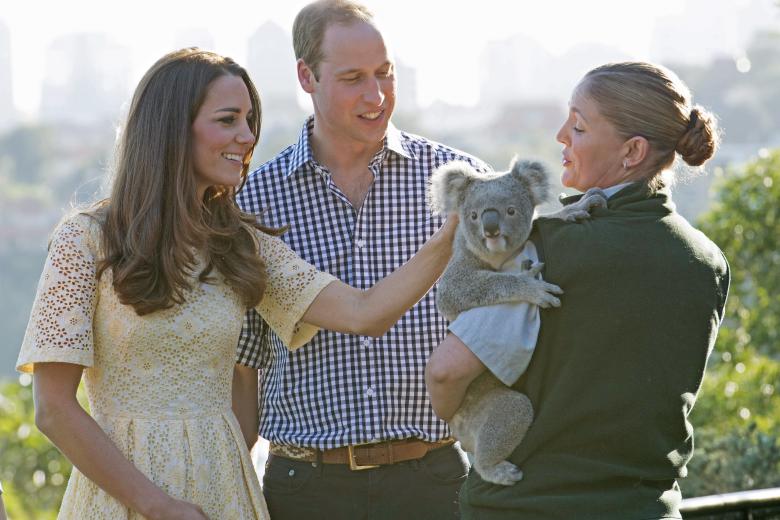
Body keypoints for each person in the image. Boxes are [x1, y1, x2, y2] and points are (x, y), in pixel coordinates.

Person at [17, 47, 459, 520]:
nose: (247, 137)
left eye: (250, 120)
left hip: (224, 490)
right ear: (171, 128)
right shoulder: (86, 239)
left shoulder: (239, 243)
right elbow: (54, 408)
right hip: (121, 496)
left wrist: (457, 229)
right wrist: (160, 507)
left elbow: (362, 313)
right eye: (228, 120)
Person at [426, 61, 730, 519]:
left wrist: (467, 427)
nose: (561, 136)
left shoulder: (544, 251)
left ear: (632, 152)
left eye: (580, 127)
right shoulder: (707, 261)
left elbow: (446, 373)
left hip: (530, 506)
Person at [233, 1, 490, 518]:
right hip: (305, 489)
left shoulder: (461, 182)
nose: (376, 96)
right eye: (352, 78)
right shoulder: (254, 204)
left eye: (384, 73)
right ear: (307, 76)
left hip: (438, 481)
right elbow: (243, 370)